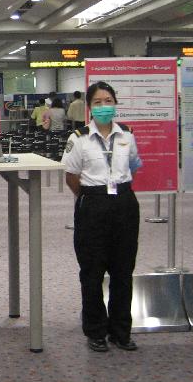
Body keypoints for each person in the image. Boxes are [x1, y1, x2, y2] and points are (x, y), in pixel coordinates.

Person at [61, 81, 142, 353]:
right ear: (89, 107)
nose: (104, 106)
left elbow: (133, 165)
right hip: (93, 204)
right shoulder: (79, 138)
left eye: (108, 101)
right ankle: (95, 331)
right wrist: (90, 197)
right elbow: (71, 176)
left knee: (123, 271)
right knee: (92, 272)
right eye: (98, 102)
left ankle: (121, 331)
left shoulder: (127, 135)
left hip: (124, 204)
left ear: (115, 104)